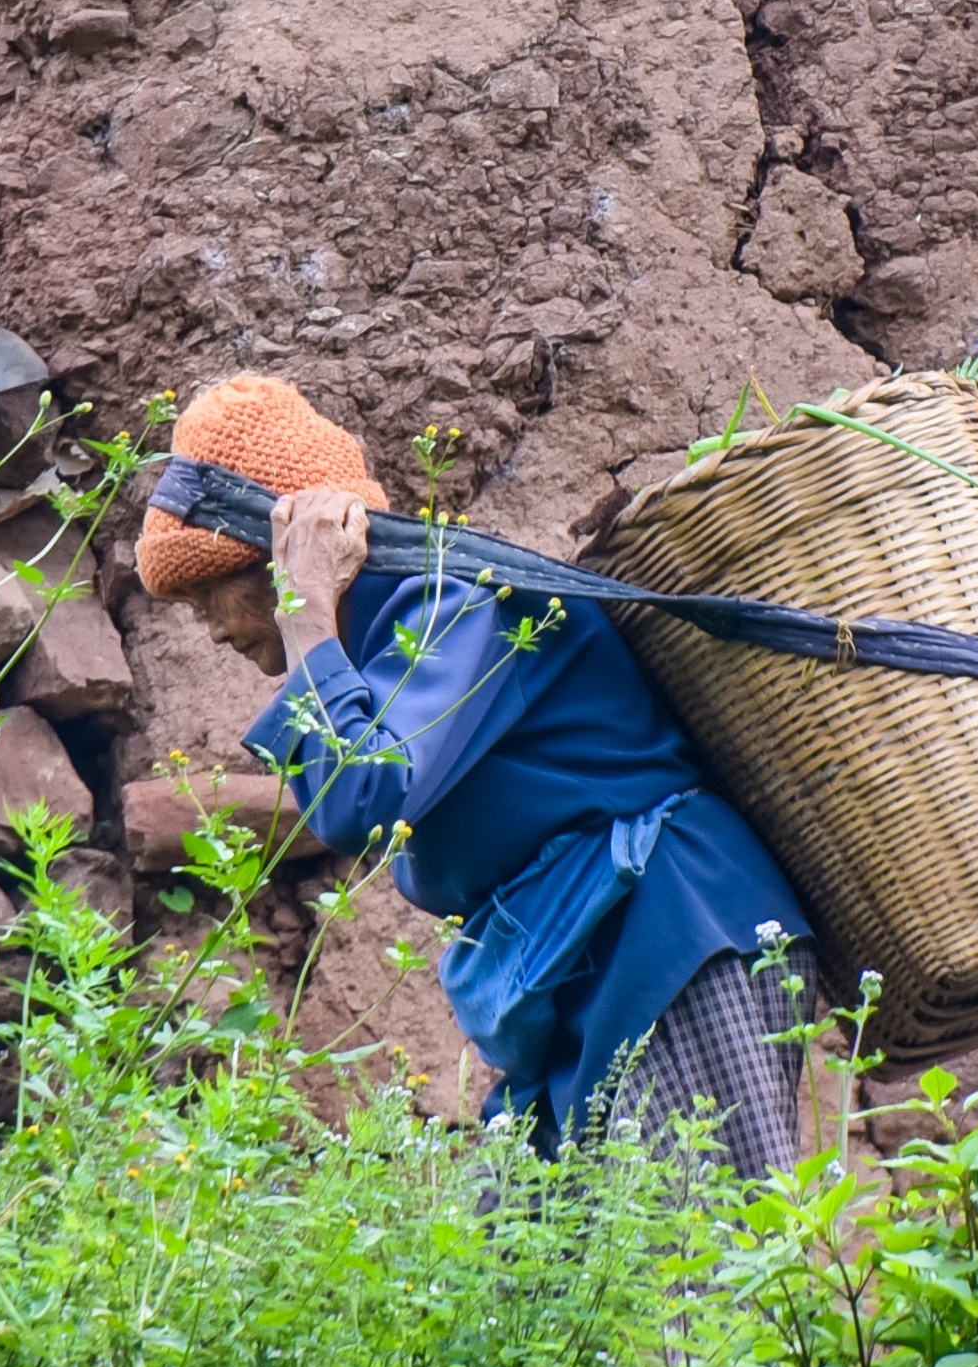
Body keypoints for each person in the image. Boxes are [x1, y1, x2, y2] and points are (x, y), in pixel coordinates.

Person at [134, 374, 815, 1174]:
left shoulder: (454, 601)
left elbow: (363, 796)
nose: (212, 633)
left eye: (211, 596)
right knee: (527, 1286)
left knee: (701, 1279)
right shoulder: (387, 643)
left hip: (672, 943)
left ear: (292, 553)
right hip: (574, 978)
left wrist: (306, 619)